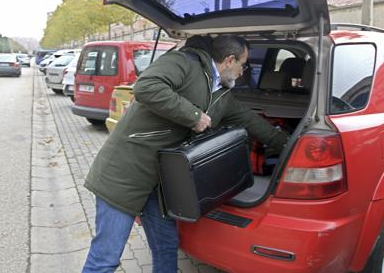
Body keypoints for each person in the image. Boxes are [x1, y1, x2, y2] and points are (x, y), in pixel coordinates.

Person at [81, 34, 289, 273]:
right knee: (105, 259)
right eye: (243, 63)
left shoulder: (223, 96)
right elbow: (146, 86)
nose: (244, 71)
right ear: (230, 60)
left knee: (167, 247)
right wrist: (194, 116)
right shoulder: (184, 63)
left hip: (159, 183)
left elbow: (254, 124)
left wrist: (289, 144)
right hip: (123, 173)